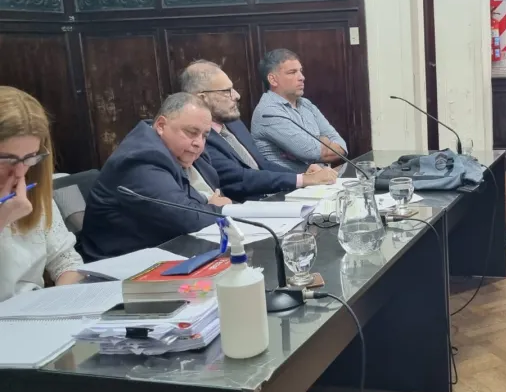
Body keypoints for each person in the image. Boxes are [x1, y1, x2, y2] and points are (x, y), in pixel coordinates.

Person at [80, 93, 231, 261]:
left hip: (166, 249)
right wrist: (220, 208)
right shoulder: (141, 159)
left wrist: (208, 206)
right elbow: (187, 218)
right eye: (191, 132)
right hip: (122, 264)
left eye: (204, 136)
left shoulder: (177, 150)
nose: (199, 143)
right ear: (161, 125)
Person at [179, 60, 338, 202]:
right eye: (227, 91)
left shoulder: (234, 123)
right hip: (244, 208)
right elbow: (239, 179)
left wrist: (304, 173)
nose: (236, 95)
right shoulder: (198, 138)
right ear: (202, 98)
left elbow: (262, 164)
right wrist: (302, 179)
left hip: (273, 196)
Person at [0, 86, 83, 301]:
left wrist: (62, 302)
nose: (20, 172)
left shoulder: (31, 188)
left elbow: (65, 260)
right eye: (6, 159)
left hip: (33, 311)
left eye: (30, 158)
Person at [252, 49, 348, 170]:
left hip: (321, 178)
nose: (302, 77)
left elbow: (342, 147)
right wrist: (322, 141)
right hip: (292, 182)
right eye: (292, 72)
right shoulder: (268, 112)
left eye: (300, 71)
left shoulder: (306, 103)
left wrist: (317, 144)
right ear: (273, 80)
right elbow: (314, 153)